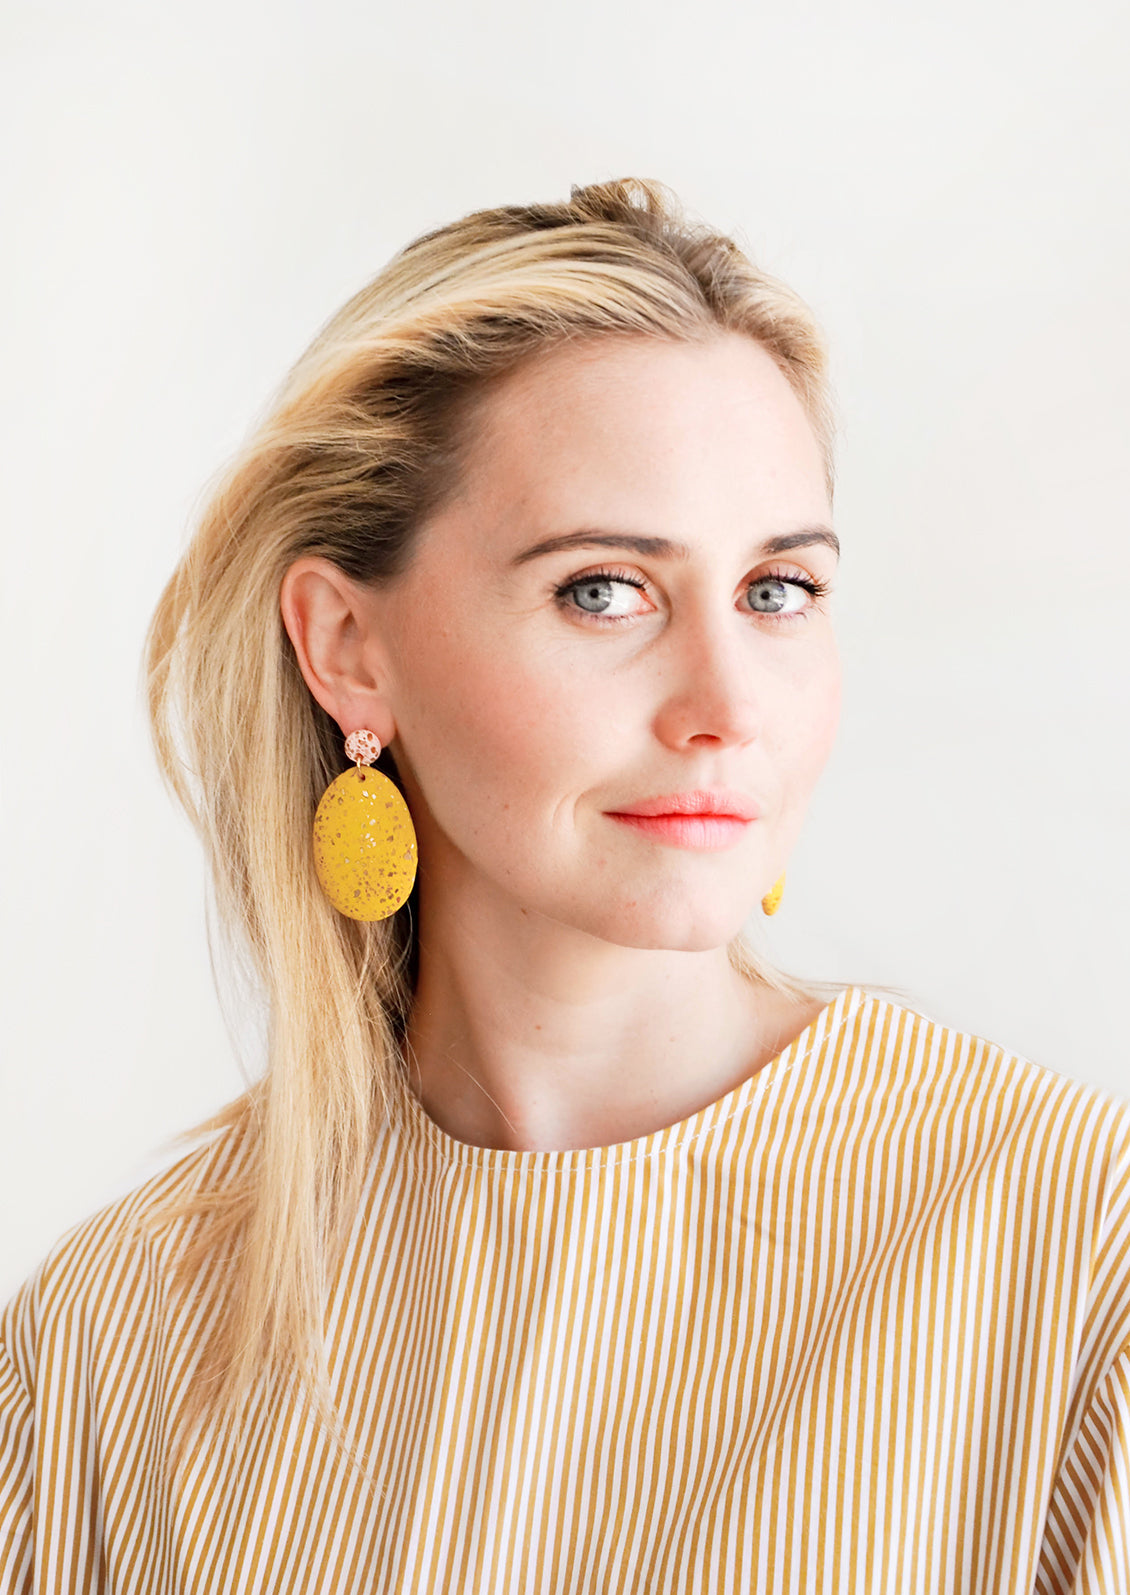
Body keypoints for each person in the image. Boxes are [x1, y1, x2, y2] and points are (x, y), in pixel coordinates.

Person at [0, 177, 1126, 1594]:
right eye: (605, 589)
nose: (727, 706)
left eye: (777, 591)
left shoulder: (1076, 1249)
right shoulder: (114, 1339)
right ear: (348, 647)